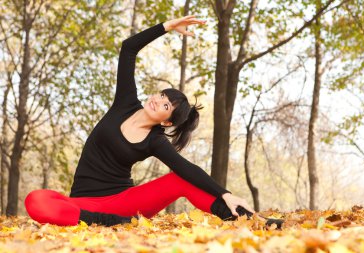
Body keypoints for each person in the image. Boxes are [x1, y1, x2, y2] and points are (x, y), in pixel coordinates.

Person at [24, 15, 255, 227]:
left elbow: (187, 169)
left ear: (166, 122)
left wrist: (225, 193)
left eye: (166, 106)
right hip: (82, 204)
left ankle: (247, 219)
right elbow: (128, 49)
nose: (159, 100)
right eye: (163, 95)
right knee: (36, 200)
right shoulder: (125, 102)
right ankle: (111, 222)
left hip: (123, 202)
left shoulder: (155, 140)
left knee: (179, 180)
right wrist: (168, 26)